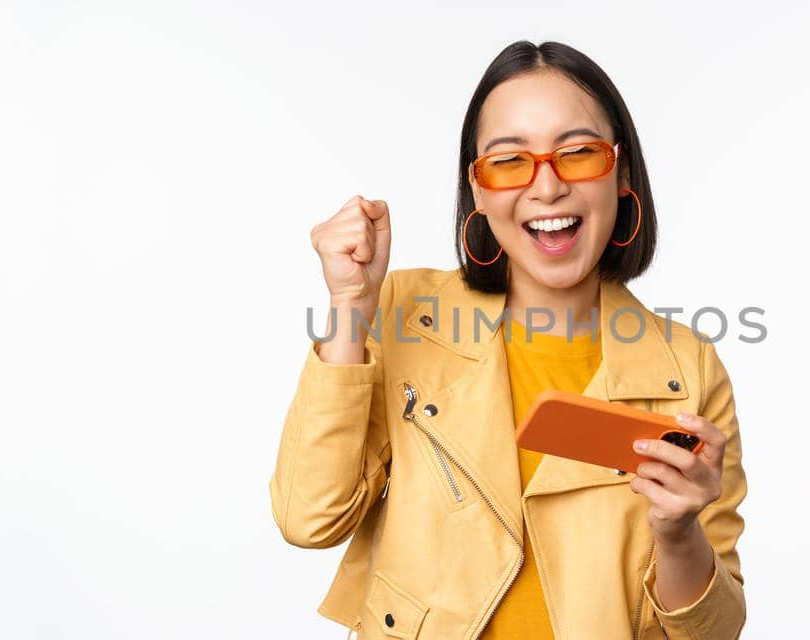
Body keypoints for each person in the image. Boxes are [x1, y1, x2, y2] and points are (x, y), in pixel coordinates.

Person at [271, 40, 748, 639]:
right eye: (508, 160)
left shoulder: (689, 367)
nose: (546, 188)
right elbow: (309, 519)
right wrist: (349, 309)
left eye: (578, 153)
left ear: (622, 174)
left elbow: (716, 631)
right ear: (477, 190)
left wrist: (680, 533)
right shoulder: (403, 311)